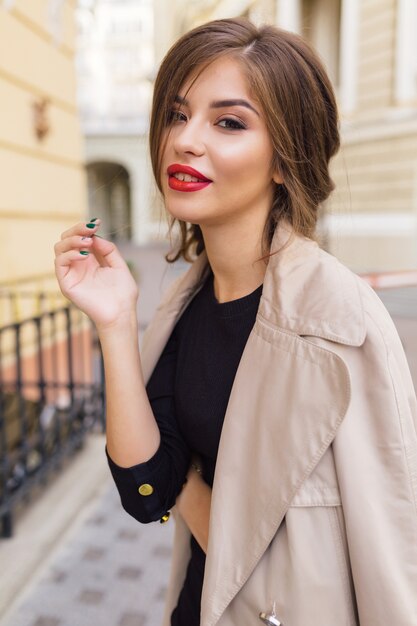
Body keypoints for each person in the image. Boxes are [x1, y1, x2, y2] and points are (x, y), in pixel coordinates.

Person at [54, 17, 417, 626]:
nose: (185, 141)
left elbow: (393, 551)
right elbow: (147, 489)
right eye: (176, 114)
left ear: (284, 159)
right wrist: (116, 321)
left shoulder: (341, 321)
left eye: (228, 122)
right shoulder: (185, 301)